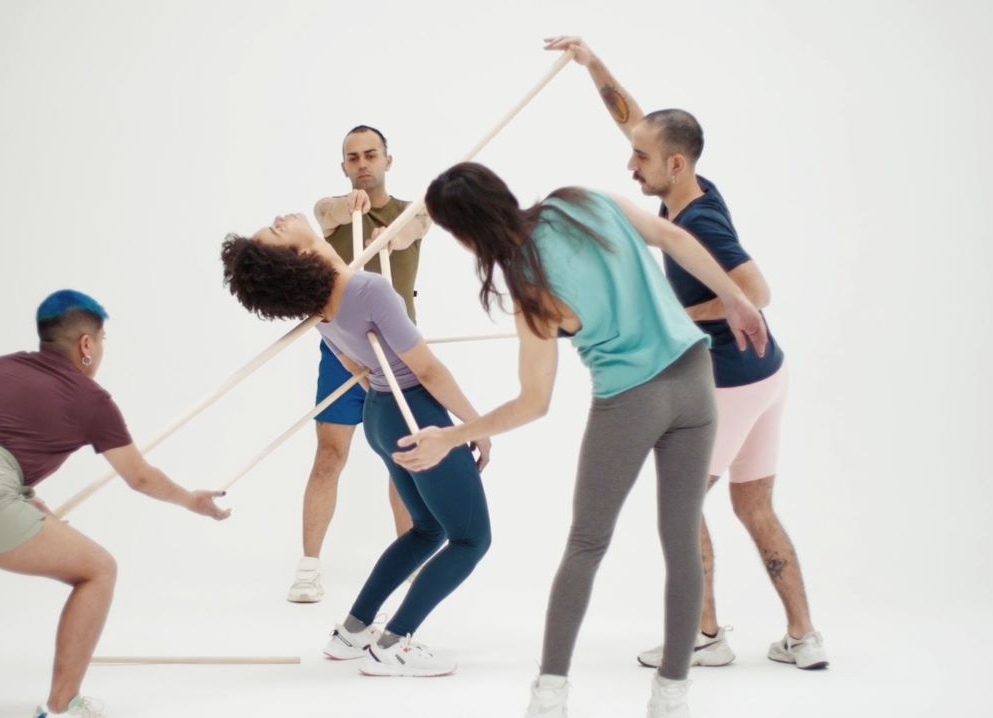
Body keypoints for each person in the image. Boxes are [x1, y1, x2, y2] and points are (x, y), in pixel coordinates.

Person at [403, 162, 767, 716]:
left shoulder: (529, 286)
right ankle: (672, 694)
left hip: (630, 402)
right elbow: (672, 237)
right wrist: (735, 297)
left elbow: (533, 402)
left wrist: (453, 435)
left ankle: (549, 694)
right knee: (681, 541)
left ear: (465, 235)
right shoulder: (579, 201)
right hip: (696, 379)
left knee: (586, 544)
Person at [545, 35, 828, 671]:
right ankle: (803, 636)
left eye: (641, 158)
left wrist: (677, 315)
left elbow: (756, 292)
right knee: (753, 504)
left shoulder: (700, 223)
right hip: (768, 375)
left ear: (674, 164)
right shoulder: (689, 188)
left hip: (730, 383)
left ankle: (703, 635)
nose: (630, 165)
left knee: (684, 506)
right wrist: (592, 64)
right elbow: (636, 123)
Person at [0, 290, 230, 718]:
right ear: (86, 344)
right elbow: (140, 477)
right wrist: (191, 500)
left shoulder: (0, 367)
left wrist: (26, 505)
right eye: (103, 340)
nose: (102, 350)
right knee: (98, 570)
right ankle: (62, 706)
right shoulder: (91, 399)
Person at [221, 214, 489, 676]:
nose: (281, 219)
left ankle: (352, 631)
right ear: (300, 255)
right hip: (413, 410)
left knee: (427, 530)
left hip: (381, 413)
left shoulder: (319, 305)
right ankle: (395, 644)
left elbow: (354, 366)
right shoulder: (368, 290)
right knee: (471, 538)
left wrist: (389, 403)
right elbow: (426, 370)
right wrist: (474, 426)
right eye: (277, 231)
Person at [288, 124, 432, 603]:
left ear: (388, 160)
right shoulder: (330, 214)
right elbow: (323, 213)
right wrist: (345, 208)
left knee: (403, 459)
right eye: (353, 157)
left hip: (397, 353)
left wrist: (390, 234)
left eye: (371, 155)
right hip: (341, 352)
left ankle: (409, 563)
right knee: (329, 455)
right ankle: (308, 567)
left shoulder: (414, 210)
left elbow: (413, 228)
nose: (363, 163)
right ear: (344, 166)